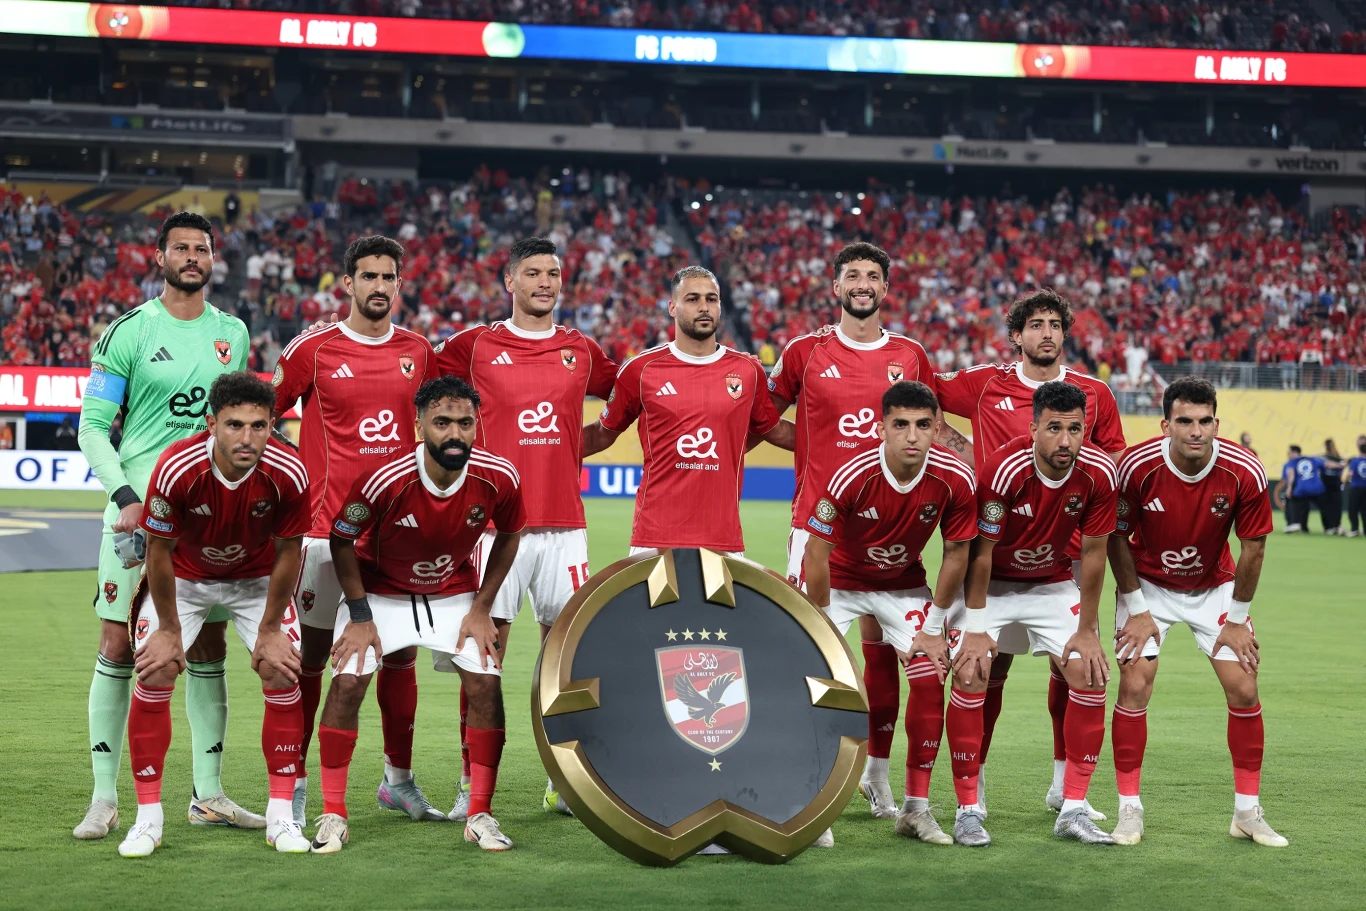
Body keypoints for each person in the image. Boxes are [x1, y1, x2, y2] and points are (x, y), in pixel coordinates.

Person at [75, 211, 256, 841]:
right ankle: (105, 800)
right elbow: (92, 427)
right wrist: (125, 493)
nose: (191, 257)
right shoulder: (126, 332)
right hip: (136, 515)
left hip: (206, 519)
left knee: (206, 651)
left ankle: (207, 797)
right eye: (180, 247)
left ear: (213, 258)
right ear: (160, 257)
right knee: (120, 647)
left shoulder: (233, 331)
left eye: (201, 248)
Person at [434, 237, 617, 818]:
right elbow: (420, 391)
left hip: (565, 529)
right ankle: (471, 781)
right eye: (533, 272)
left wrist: (575, 449)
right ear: (509, 281)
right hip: (491, 529)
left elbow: (626, 401)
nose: (545, 282)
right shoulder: (472, 346)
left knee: (571, 660)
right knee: (482, 659)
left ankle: (565, 780)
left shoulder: (581, 349)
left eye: (554, 273)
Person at [765, 243, 944, 819]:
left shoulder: (911, 354)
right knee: (807, 658)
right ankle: (802, 785)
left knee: (888, 657)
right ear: (835, 286)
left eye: (872, 276)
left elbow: (932, 427)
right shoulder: (804, 352)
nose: (862, 284)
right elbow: (765, 417)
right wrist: (812, 448)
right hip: (816, 527)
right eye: (852, 276)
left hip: (892, 530)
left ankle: (878, 777)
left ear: (885, 288)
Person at [310, 376, 524, 854]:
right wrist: (360, 615)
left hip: (453, 595)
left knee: (486, 682)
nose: (454, 433)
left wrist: (482, 607)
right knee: (348, 681)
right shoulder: (386, 479)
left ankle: (480, 814)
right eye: (442, 422)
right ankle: (332, 814)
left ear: (477, 425)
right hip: (382, 595)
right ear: (419, 424)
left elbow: (510, 535)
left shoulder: (499, 476)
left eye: (465, 423)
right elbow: (341, 540)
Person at [935, 289, 1124, 821]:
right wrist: (962, 448)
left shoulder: (1095, 393)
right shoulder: (984, 383)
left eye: (1055, 324)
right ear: (1016, 335)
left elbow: (1110, 458)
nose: (1046, 333)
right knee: (984, 675)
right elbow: (918, 394)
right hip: (990, 561)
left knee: (1075, 671)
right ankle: (975, 794)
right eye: (1035, 324)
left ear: (1065, 334)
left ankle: (1067, 790)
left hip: (1058, 565)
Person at [271, 236, 440, 825]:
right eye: (367, 276)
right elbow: (263, 412)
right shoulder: (313, 348)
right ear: (347, 283)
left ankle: (398, 780)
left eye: (388, 277)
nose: (378, 286)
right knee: (310, 663)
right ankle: (291, 783)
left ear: (399, 284)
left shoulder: (419, 351)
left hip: (392, 539)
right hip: (322, 536)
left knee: (400, 660)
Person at [119, 372, 311, 857]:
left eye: (259, 426)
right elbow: (158, 551)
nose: (247, 438)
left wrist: (270, 629)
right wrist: (166, 629)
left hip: (256, 581)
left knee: (281, 668)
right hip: (184, 578)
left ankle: (281, 817)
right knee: (157, 666)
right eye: (234, 425)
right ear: (211, 424)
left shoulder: (289, 469)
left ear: (273, 424)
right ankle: (148, 819)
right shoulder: (176, 467)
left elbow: (291, 551)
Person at [1107, 376, 1285, 847]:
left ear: (1216, 423)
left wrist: (1237, 618)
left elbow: (1254, 549)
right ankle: (1130, 809)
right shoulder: (1136, 467)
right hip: (1147, 587)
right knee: (1135, 683)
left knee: (1244, 687)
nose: (1196, 430)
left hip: (1215, 587)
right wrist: (1137, 609)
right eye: (1184, 421)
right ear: (1166, 424)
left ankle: (1247, 813)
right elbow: (1115, 538)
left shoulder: (1243, 468)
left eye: (1205, 421)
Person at [802, 381, 976, 846]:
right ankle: (812, 804)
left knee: (928, 674)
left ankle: (915, 810)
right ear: (882, 428)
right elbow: (816, 553)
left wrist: (936, 628)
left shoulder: (954, 477)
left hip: (901, 586)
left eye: (924, 425)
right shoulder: (851, 474)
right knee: (813, 680)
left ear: (937, 428)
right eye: (901, 425)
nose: (913, 436)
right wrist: (819, 625)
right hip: (839, 585)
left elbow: (957, 553)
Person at [582, 266, 792, 559]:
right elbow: (602, 434)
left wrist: (839, 444)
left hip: (724, 541)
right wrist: (542, 451)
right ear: (672, 307)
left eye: (712, 299)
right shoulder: (640, 370)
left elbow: (775, 430)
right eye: (692, 299)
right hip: (654, 539)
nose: (704, 307)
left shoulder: (747, 370)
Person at [1275, 445, 1324, 533]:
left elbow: (1292, 474)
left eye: (1289, 453)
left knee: (1303, 507)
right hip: (1293, 486)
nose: (1288, 455)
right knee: (1290, 507)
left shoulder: (1298, 462)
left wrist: (1290, 487)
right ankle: (1291, 524)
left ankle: (1301, 526)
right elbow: (1285, 477)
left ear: (1295, 452)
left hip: (1298, 486)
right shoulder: (1287, 464)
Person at [1319, 439, 1346, 535]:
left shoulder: (1326, 457)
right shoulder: (1335, 458)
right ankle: (1334, 526)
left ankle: (1331, 527)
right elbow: (1341, 468)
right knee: (1334, 505)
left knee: (1329, 505)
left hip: (1327, 482)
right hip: (1333, 482)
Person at [1346, 440, 1366, 537]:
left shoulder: (1355, 461)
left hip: (1356, 487)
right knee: (1364, 509)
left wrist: (1345, 481)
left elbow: (1350, 474)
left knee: (1353, 509)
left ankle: (1355, 529)